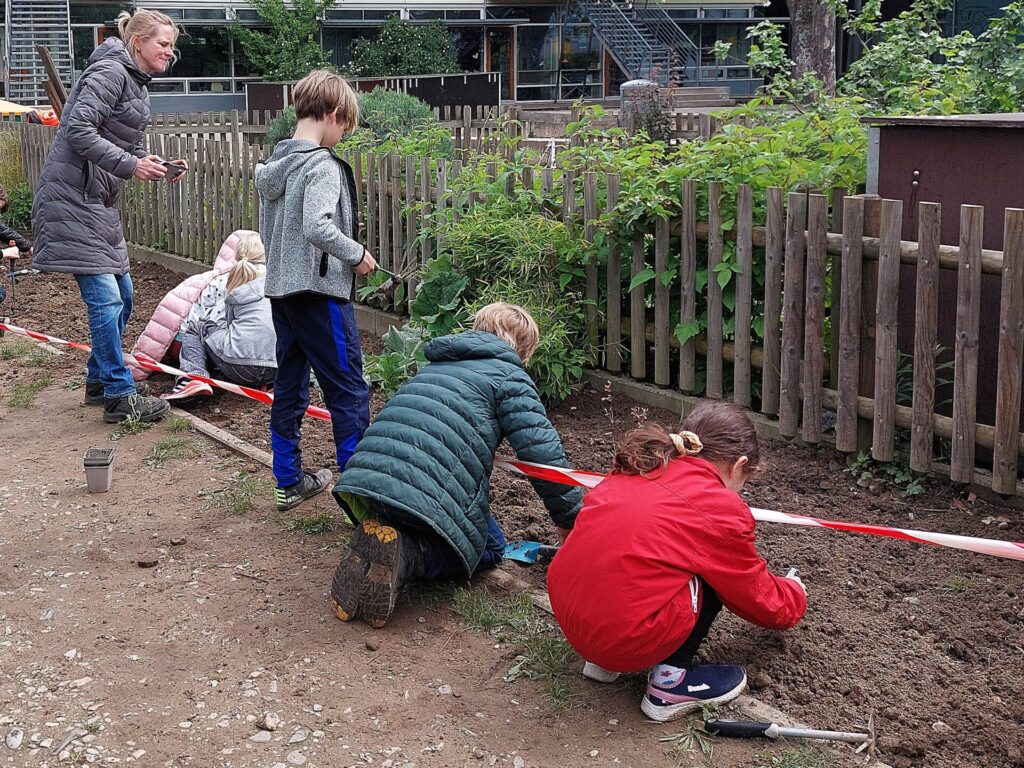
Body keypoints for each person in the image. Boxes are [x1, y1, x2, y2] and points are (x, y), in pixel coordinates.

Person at [547, 400, 807, 723]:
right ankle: (670, 684)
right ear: (739, 465)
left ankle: (603, 663)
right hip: (619, 635)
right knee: (712, 573)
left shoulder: (641, 464)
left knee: (638, 557)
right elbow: (756, 596)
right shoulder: (718, 506)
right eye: (746, 481)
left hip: (572, 617)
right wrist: (795, 594)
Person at [331, 303, 584, 629]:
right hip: (427, 489)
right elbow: (543, 457)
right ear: (523, 350)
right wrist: (571, 525)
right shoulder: (510, 377)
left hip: (370, 485)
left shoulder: (435, 367)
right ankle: (409, 553)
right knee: (492, 548)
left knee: (418, 513)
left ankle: (377, 545)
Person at [31, 8, 187, 424]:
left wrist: (150, 163)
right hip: (71, 197)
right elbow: (78, 130)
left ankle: (99, 381)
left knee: (125, 295)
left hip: (95, 200)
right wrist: (130, 165)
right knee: (106, 298)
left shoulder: (135, 82)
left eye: (172, 47)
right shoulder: (111, 72)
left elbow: (115, 141)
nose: (170, 53)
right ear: (138, 42)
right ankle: (119, 396)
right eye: (163, 44)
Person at [254, 69, 377, 512]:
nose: (342, 135)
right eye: (345, 125)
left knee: (290, 385)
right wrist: (357, 254)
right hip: (321, 295)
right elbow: (317, 226)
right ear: (333, 113)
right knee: (347, 389)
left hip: (282, 295)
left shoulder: (274, 166)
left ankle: (288, 479)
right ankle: (362, 498)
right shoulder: (322, 165)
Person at [129, 229, 255, 384]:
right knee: (203, 329)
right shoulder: (231, 283)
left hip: (182, 341)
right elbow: (212, 322)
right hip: (187, 342)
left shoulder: (212, 279)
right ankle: (194, 376)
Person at [163, 233, 277, 399]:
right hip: (277, 367)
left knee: (198, 326)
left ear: (237, 255)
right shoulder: (278, 281)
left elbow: (219, 322)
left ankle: (194, 377)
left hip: (239, 368)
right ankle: (274, 385)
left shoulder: (229, 280)